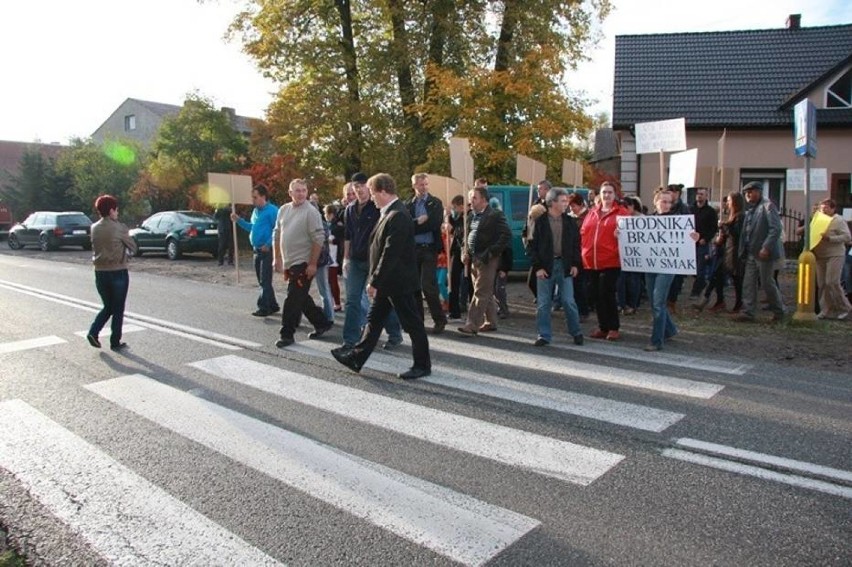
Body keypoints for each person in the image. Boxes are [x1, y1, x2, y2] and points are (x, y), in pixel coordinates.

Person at [331, 173, 431, 380]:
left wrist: (374, 280)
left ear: (383, 192)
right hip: (389, 281)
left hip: (398, 282)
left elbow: (390, 252)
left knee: (412, 324)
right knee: (374, 321)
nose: (372, 197)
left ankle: (422, 365)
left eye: (374, 192)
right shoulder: (388, 212)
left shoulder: (398, 215)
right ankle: (356, 358)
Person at [341, 173, 403, 350]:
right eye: (356, 186)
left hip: (373, 260)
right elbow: (348, 236)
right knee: (352, 300)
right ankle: (350, 339)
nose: (359, 189)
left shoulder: (377, 208)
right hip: (355, 259)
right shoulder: (350, 210)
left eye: (362, 185)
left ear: (369, 187)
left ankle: (394, 333)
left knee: (380, 299)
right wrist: (345, 258)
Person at [271, 179, 334, 347]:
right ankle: (322, 323)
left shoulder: (311, 211)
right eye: (297, 191)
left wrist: (312, 264)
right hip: (289, 262)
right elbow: (277, 234)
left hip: (304, 262)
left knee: (292, 297)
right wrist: (276, 258)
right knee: (301, 296)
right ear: (290, 192)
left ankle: (287, 334)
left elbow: (319, 238)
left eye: (303, 190)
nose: (300, 194)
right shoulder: (283, 210)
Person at [527, 188, 584, 347]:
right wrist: (537, 266)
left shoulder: (570, 222)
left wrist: (574, 264)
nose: (566, 204)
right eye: (563, 201)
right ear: (552, 203)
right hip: (545, 266)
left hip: (564, 265)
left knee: (568, 301)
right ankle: (544, 335)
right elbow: (531, 247)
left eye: (567, 201)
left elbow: (576, 245)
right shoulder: (539, 222)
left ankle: (576, 332)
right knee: (544, 303)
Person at [643, 191, 700, 351]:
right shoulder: (647, 221)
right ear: (656, 202)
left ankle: (656, 341)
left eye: (669, 202)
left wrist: (693, 238)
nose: (667, 205)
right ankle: (670, 329)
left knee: (658, 302)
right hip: (650, 265)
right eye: (664, 202)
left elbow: (686, 242)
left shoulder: (678, 221)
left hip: (668, 267)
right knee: (654, 301)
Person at [457, 186, 511, 336]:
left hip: (487, 259)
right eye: (470, 198)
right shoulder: (470, 216)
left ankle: (472, 324)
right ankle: (491, 321)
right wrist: (464, 252)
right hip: (474, 258)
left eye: (474, 198)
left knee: (481, 291)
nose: (471, 201)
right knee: (484, 291)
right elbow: (465, 237)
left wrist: (491, 253)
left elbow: (506, 235)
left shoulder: (495, 215)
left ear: (484, 199)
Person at [86, 194, 138, 352]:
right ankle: (115, 341)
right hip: (117, 272)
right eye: (116, 210)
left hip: (99, 272)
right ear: (110, 211)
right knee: (118, 308)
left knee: (107, 306)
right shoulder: (120, 228)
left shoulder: (94, 227)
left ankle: (93, 332)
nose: (117, 213)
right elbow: (133, 247)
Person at [581, 181, 627, 340]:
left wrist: (621, 235)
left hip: (611, 261)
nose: (606, 195)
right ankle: (603, 326)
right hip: (590, 262)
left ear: (615, 195)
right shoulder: (592, 212)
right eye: (604, 192)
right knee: (595, 295)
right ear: (599, 194)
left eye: (610, 192)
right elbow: (584, 233)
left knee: (606, 293)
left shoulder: (622, 213)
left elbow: (631, 235)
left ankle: (613, 327)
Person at [733, 182, 784, 322]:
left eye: (751, 191)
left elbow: (776, 229)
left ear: (759, 192)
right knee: (748, 283)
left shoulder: (768, 206)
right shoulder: (750, 210)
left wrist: (766, 247)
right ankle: (748, 312)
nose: (748, 194)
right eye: (746, 192)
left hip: (764, 254)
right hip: (751, 252)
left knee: (767, 283)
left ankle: (779, 311)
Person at [406, 173, 448, 334]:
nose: (423, 187)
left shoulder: (435, 203)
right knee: (414, 287)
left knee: (428, 285)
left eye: (425, 184)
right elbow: (406, 226)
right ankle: (418, 321)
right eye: (420, 184)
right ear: (414, 186)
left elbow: (434, 223)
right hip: (413, 249)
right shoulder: (409, 204)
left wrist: (417, 224)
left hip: (429, 248)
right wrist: (418, 221)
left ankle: (439, 319)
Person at [232, 184, 280, 317]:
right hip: (256, 250)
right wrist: (239, 221)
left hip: (267, 251)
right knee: (262, 281)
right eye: (252, 197)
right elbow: (252, 227)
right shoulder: (255, 212)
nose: (252, 200)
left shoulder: (272, 211)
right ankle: (273, 305)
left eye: (255, 197)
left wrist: (269, 244)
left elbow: (278, 230)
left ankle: (264, 307)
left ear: (263, 197)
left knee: (265, 280)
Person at [812, 199, 852, 319]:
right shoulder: (818, 219)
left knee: (832, 282)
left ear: (833, 209)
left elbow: (847, 237)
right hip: (820, 255)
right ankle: (825, 310)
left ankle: (845, 307)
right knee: (822, 284)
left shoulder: (838, 220)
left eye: (826, 208)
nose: (823, 210)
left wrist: (830, 238)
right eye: (822, 208)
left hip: (835, 254)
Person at [689, 187, 719, 298]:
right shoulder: (691, 209)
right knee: (692, 268)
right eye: (698, 194)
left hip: (702, 243)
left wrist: (705, 239)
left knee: (700, 267)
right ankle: (700, 283)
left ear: (706, 196)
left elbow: (713, 228)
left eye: (702, 194)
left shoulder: (710, 212)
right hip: (690, 243)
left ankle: (696, 291)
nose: (699, 196)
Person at [665, 184, 691, 312]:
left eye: (674, 192)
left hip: (679, 247)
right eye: (670, 191)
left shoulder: (684, 208)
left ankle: (672, 301)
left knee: (677, 277)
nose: (672, 194)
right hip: (665, 247)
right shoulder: (664, 206)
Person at [524, 179, 551, 299]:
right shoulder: (535, 202)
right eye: (538, 188)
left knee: (539, 280)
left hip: (546, 247)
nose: (538, 191)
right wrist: (525, 232)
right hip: (534, 243)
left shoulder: (551, 205)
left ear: (547, 190)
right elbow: (529, 220)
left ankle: (546, 299)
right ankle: (542, 298)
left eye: (540, 188)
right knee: (532, 282)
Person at [617, 196, 644, 315]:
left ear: (633, 206)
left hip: (636, 255)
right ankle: (622, 304)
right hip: (621, 255)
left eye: (627, 206)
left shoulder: (641, 218)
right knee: (621, 281)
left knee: (634, 280)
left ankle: (633, 304)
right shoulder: (620, 218)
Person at [567, 192, 591, 320]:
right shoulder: (571, 217)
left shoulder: (587, 216)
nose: (572, 209)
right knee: (574, 284)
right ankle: (577, 310)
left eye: (574, 206)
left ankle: (583, 311)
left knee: (580, 284)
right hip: (573, 253)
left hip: (583, 253)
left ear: (581, 204)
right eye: (570, 207)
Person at [489, 197, 513, 319]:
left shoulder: (503, 228)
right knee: (493, 289)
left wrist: (504, 268)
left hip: (501, 264)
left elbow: (508, 251)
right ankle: (499, 308)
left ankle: (504, 309)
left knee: (499, 289)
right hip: (493, 263)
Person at [445, 194, 468, 321]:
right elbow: (454, 226)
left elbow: (462, 232)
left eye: (455, 208)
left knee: (467, 281)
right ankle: (454, 311)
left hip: (465, 251)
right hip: (457, 251)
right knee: (453, 280)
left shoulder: (468, 217)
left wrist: (452, 229)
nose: (454, 210)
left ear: (461, 206)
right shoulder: (459, 217)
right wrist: (448, 216)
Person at [325, 204, 343, 312]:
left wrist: (329, 240)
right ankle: (332, 302)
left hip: (333, 257)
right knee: (329, 281)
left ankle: (337, 303)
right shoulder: (330, 224)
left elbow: (339, 239)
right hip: (329, 256)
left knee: (332, 281)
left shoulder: (336, 225)